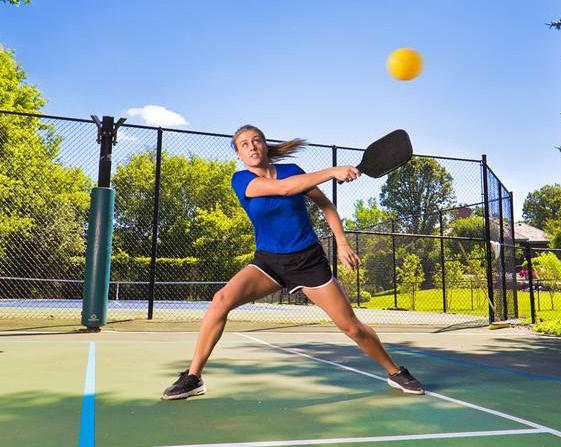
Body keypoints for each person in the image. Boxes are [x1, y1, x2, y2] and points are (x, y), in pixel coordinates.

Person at [162, 125, 425, 400]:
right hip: (268, 263)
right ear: (239, 154)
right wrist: (333, 171)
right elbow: (285, 189)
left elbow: (325, 205)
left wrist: (342, 242)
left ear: (265, 145)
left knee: (351, 327)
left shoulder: (293, 171)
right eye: (244, 144)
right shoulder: (241, 180)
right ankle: (193, 377)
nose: (251, 147)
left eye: (256, 140)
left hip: (308, 261)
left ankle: (395, 372)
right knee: (220, 300)